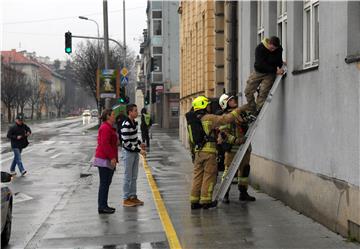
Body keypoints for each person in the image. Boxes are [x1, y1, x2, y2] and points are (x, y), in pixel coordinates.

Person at [188, 96, 250, 209]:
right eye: (208, 105)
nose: (209, 107)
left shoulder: (193, 121)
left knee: (197, 177)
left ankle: (194, 202)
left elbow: (190, 140)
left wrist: (193, 154)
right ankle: (206, 202)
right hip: (209, 153)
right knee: (209, 176)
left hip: (198, 153)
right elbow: (226, 119)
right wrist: (239, 110)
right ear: (203, 106)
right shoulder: (209, 118)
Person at [218, 94, 256, 203]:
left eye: (233, 99)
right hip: (232, 150)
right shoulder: (226, 117)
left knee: (245, 170)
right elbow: (223, 134)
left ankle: (243, 193)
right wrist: (236, 140)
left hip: (245, 149)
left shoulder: (241, 113)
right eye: (231, 100)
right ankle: (225, 193)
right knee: (228, 172)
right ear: (225, 103)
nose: (234, 100)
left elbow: (250, 117)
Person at [245, 36, 284, 115]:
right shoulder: (260, 48)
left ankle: (259, 109)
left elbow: (278, 60)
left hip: (270, 74)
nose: (273, 50)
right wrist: (275, 70)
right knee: (248, 91)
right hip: (258, 72)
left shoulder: (279, 49)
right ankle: (252, 109)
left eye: (275, 49)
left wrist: (281, 66)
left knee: (263, 92)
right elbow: (260, 65)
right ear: (268, 43)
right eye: (272, 48)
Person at [121, 104, 147, 207]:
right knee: (128, 176)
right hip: (128, 153)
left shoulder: (135, 123)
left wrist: (140, 143)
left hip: (134, 152)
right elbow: (126, 142)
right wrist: (139, 150)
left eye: (137, 110)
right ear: (130, 112)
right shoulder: (125, 124)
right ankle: (125, 198)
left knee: (134, 176)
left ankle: (133, 196)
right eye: (135, 111)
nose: (137, 112)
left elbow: (134, 138)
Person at [93, 109, 118, 214]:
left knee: (106, 183)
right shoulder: (105, 128)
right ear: (108, 116)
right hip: (104, 159)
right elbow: (105, 144)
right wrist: (112, 157)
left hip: (107, 159)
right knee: (104, 183)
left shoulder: (109, 128)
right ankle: (102, 206)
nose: (114, 116)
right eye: (113, 115)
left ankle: (104, 205)